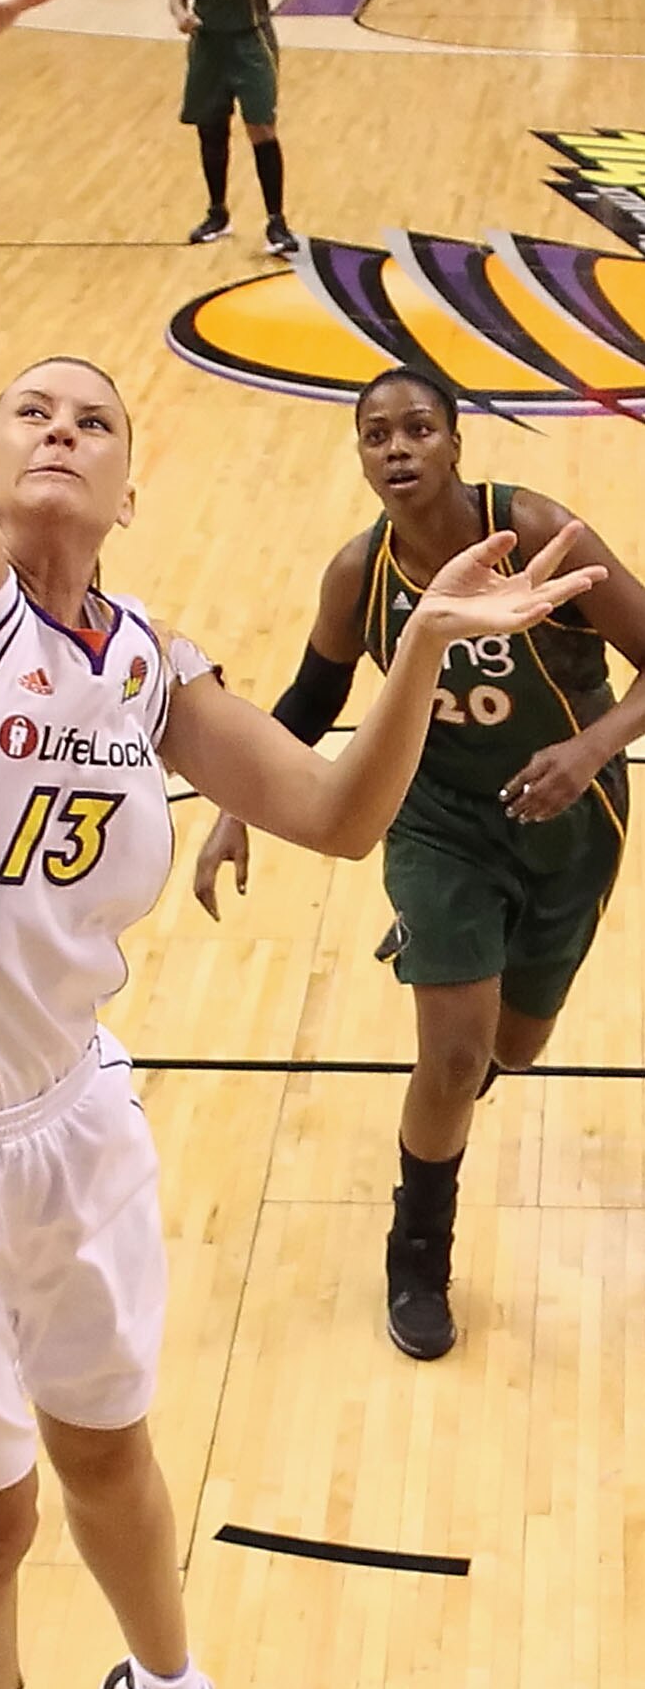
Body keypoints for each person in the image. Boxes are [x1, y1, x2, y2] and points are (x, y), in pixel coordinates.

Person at [0, 0, 604, 1689]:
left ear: (128, 480)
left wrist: (421, 650)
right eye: (31, 410)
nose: (57, 426)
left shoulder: (150, 667)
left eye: (93, 418)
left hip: (73, 1119)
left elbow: (339, 819)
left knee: (110, 1454)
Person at [195, 369, 645, 1359]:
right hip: (437, 824)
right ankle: (417, 1254)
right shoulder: (359, 576)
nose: (396, 448)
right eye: (375, 435)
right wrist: (238, 805)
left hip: (572, 822)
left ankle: (455, 1019)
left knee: (510, 1051)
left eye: (418, 429)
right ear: (361, 456)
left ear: (455, 443)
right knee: (451, 1057)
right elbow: (309, 703)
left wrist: (590, 749)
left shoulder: (533, 527)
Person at [173, 0, 309, 254]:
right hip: (208, 44)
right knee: (211, 128)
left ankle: (277, 222)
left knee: (261, 128)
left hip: (251, 41)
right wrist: (180, 14)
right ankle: (217, 213)